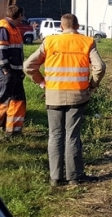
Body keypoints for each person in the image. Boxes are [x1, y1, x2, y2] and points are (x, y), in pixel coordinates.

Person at [24, 14, 106, 186]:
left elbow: (28, 66)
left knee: (55, 135)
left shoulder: (49, 42)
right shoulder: (87, 41)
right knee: (72, 136)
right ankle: (74, 177)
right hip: (78, 95)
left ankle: (55, 177)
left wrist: (40, 80)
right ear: (77, 26)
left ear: (61, 26)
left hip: (53, 95)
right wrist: (92, 84)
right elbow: (99, 67)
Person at [0, 5, 26, 141]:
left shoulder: (12, 28)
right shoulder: (3, 27)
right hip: (4, 70)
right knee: (1, 98)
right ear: (19, 15)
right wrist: (5, 68)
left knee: (17, 98)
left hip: (13, 70)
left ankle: (14, 130)